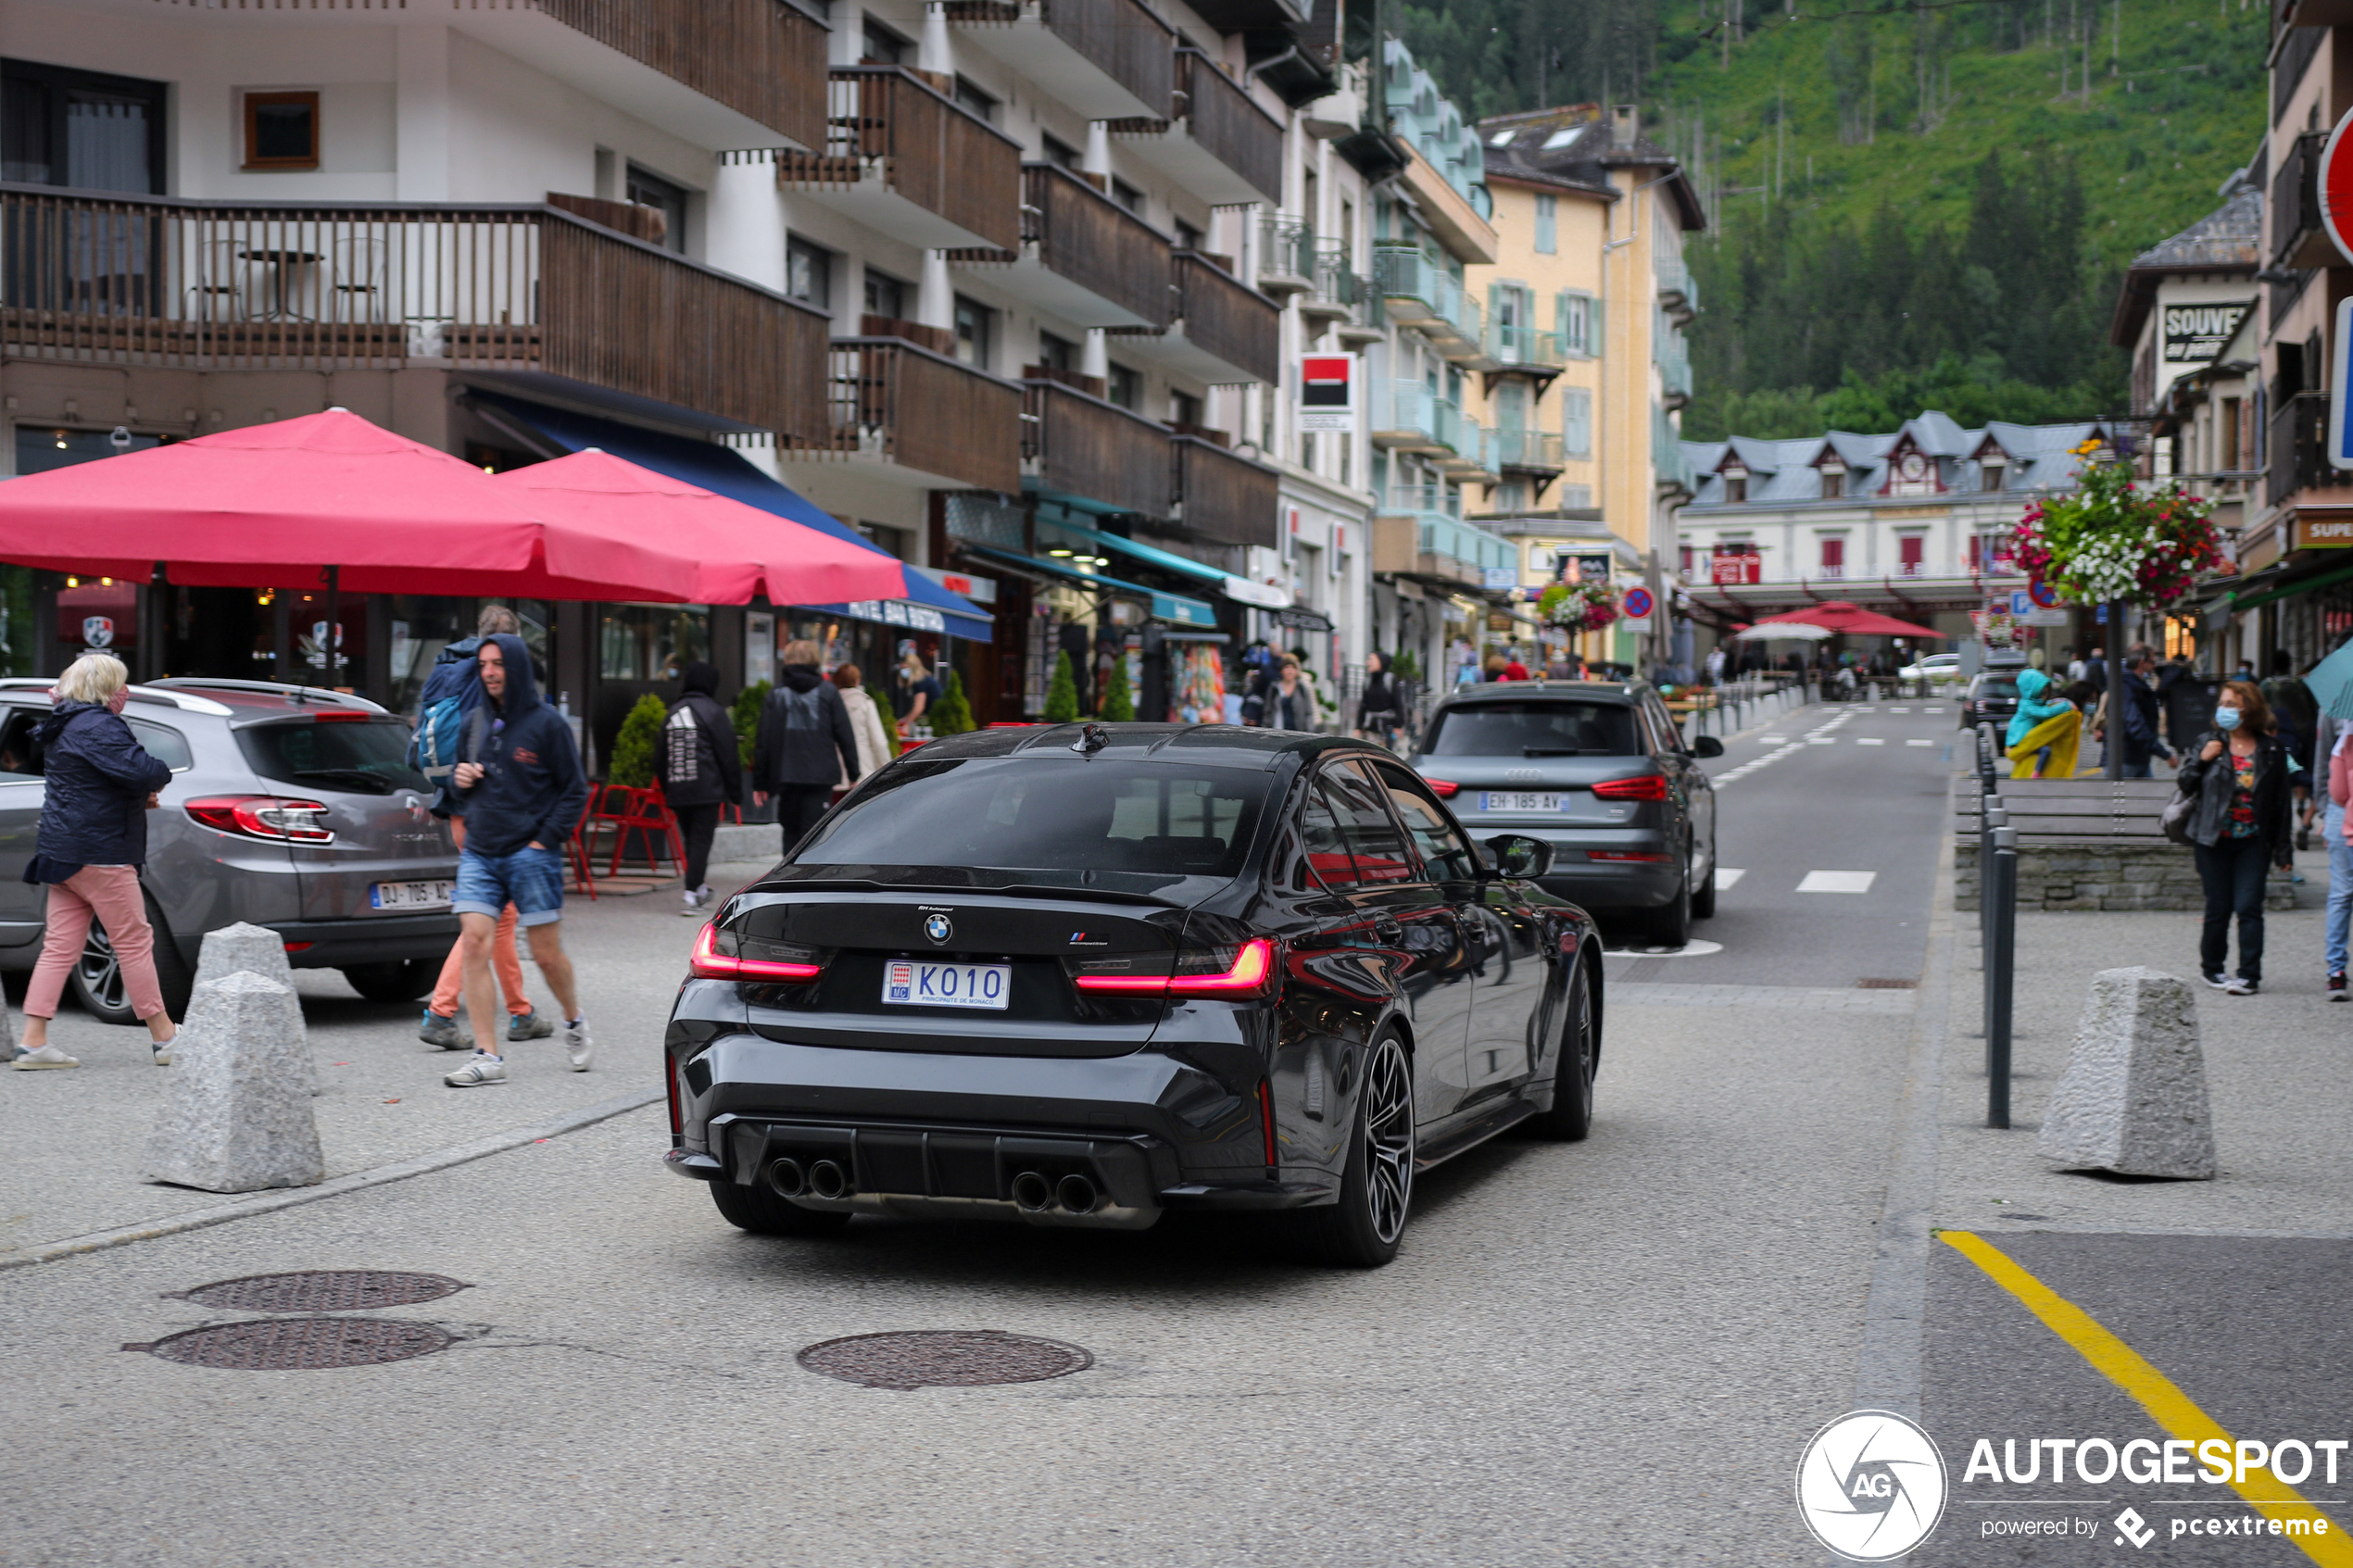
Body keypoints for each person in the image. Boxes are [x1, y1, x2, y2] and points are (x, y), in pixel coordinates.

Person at [8, 654, 177, 1070]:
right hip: (101, 854)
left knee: (59, 947)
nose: (127, 693)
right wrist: (150, 785)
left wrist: (136, 797)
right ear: (105, 690)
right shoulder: (99, 724)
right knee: (134, 943)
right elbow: (145, 770)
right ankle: (166, 1037)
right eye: (121, 685)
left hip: (62, 853)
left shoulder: (62, 722)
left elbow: (91, 782)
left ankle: (33, 1043)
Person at [443, 634, 591, 1086]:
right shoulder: (473, 722)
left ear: (517, 667)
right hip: (481, 853)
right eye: (483, 664)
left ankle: (572, 1019)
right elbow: (453, 787)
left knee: (546, 956)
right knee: (474, 941)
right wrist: (459, 779)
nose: (488, 672)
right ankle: (487, 1056)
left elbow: (574, 791)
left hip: (531, 853)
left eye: (498, 664)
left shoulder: (548, 725)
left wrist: (544, 842)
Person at [418, 605, 543, 1051]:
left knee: (500, 916)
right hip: (486, 808)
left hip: (453, 806)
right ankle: (441, 1010)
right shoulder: (496, 679)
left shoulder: (447, 666)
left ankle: (522, 1011)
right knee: (488, 916)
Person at [2175, 681, 2296, 996]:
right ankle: (2212, 969)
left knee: (2249, 907)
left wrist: (2284, 851)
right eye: (2223, 703)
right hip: (2213, 839)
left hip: (2253, 842)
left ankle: (2248, 975)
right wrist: (2202, 759)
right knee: (2218, 906)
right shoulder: (2209, 741)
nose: (2224, 710)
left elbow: (2282, 803)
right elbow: (2186, 784)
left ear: (2250, 709)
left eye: (2233, 704)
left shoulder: (2271, 750)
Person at [657, 660, 742, 917]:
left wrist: (667, 787)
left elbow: (660, 757)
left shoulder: (672, 713)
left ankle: (700, 888)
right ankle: (691, 893)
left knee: (692, 840)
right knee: (701, 841)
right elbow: (728, 754)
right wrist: (735, 792)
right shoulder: (714, 712)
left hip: (679, 787)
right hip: (707, 789)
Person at [754, 640, 859, 844]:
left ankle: (789, 874)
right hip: (820, 775)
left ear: (788, 660)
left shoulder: (776, 693)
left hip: (786, 774)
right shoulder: (828, 692)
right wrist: (854, 772)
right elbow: (845, 734)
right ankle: (809, 873)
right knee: (814, 834)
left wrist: (760, 782)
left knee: (790, 830)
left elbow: (764, 740)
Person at [2004, 667, 2080, 779]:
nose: (2044, 696)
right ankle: (2036, 773)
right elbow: (2045, 713)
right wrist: (2066, 706)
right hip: (2019, 739)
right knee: (2045, 750)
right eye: (2041, 693)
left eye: (2046, 693)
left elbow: (2047, 705)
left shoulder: (2032, 703)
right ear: (2031, 691)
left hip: (2024, 740)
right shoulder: (2026, 705)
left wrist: (2060, 701)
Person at [2114, 647, 2175, 780]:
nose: (2154, 666)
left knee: (2146, 796)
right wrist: (2164, 754)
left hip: (2137, 757)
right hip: (2126, 757)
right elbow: (2136, 724)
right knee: (2120, 799)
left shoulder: (2138, 684)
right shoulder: (2127, 686)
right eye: (2152, 662)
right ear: (2142, 663)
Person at [832, 663, 894, 783]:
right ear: (857, 681)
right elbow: (879, 741)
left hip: (834, 773)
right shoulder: (865, 703)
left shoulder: (830, 704)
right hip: (863, 771)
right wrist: (886, 771)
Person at [1355, 651, 1403, 747]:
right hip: (1370, 728)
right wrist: (1358, 727)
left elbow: (1398, 704)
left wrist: (1399, 726)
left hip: (1387, 729)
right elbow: (1363, 706)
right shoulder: (1368, 681)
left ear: (1381, 662)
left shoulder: (1390, 680)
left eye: (1371, 660)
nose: (1368, 663)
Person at [896, 647, 940, 736]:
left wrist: (907, 724)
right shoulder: (924, 679)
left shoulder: (920, 682)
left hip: (938, 719)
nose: (903, 670)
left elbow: (919, 707)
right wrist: (905, 720)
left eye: (905, 667)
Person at [1264, 657, 1315, 731]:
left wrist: (1309, 730)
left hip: (1298, 731)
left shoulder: (1301, 689)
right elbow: (1267, 711)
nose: (1290, 671)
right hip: (1278, 730)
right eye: (1287, 668)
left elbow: (1308, 712)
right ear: (1281, 671)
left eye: (1293, 668)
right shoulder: (1274, 688)